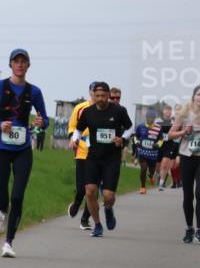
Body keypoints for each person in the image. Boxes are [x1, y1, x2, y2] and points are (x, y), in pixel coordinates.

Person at [0, 49, 49, 258]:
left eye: (23, 62)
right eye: (16, 61)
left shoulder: (34, 92)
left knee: (17, 196)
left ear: (28, 66)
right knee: (2, 198)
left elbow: (45, 120)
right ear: (10, 65)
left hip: (23, 150)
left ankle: (8, 243)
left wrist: (41, 122)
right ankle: (2, 210)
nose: (19, 65)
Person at [73, 82, 134, 238]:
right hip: (93, 157)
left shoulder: (119, 111)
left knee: (108, 196)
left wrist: (123, 138)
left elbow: (130, 128)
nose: (100, 99)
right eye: (97, 96)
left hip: (112, 159)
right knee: (90, 191)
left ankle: (108, 209)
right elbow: (78, 129)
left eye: (103, 96)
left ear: (108, 96)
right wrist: (74, 139)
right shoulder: (88, 112)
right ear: (93, 95)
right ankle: (98, 225)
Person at [168, 86, 200, 242]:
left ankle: (199, 230)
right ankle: (189, 228)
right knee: (187, 196)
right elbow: (170, 134)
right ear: (194, 97)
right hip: (187, 157)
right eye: (199, 95)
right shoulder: (184, 114)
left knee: (199, 194)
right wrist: (183, 132)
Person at [67, 83, 97, 231]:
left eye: (99, 92)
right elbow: (72, 127)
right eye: (93, 91)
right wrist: (73, 139)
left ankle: (85, 219)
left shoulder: (107, 110)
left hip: (99, 153)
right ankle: (77, 202)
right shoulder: (80, 108)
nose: (96, 95)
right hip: (82, 151)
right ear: (90, 92)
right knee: (81, 189)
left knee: (93, 189)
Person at [133, 109, 162, 194]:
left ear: (154, 118)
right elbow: (135, 136)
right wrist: (137, 142)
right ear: (146, 117)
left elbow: (161, 139)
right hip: (142, 151)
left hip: (153, 153)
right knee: (144, 168)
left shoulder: (158, 128)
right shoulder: (140, 126)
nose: (150, 119)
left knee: (152, 170)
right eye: (148, 117)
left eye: (152, 118)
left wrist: (158, 144)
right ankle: (143, 186)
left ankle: (151, 176)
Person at [157, 105, 180, 191]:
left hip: (169, 145)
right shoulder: (158, 121)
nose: (168, 112)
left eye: (170, 111)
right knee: (158, 166)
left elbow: (177, 131)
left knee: (165, 164)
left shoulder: (173, 121)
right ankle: (158, 175)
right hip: (159, 145)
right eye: (166, 110)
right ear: (163, 111)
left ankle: (161, 183)